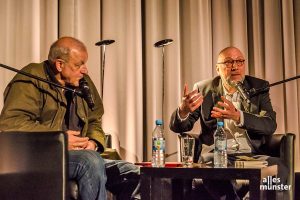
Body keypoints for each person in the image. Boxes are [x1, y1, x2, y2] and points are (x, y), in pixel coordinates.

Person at [0, 36, 140, 200]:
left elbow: (95, 119)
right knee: (90, 161)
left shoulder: (82, 82)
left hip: (82, 156)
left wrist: (93, 143)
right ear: (60, 64)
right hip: (41, 157)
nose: (85, 70)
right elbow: (10, 122)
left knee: (133, 172)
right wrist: (59, 139)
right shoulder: (31, 77)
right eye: (78, 64)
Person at [170, 46, 287, 199]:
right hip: (216, 155)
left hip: (250, 155)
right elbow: (179, 127)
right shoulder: (204, 89)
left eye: (239, 61)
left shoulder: (258, 87)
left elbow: (270, 125)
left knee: (281, 167)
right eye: (228, 62)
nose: (235, 66)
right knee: (208, 163)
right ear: (218, 69)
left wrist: (239, 116)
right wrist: (183, 110)